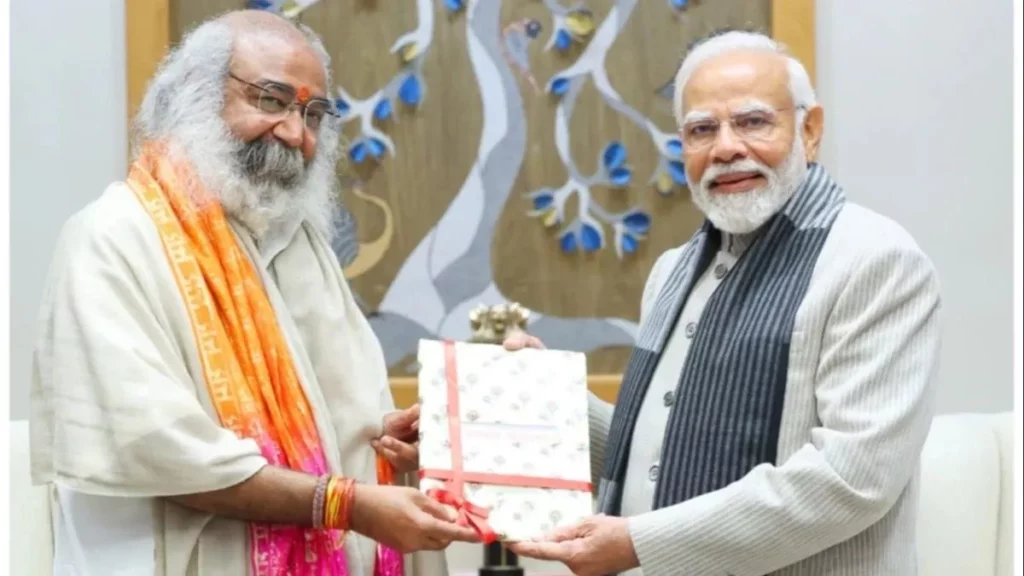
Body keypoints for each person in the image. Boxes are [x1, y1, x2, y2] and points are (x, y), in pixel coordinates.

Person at [28, 10, 478, 576]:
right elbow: (158, 447)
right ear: (194, 97)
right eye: (271, 100)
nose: (295, 132)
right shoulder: (113, 237)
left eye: (313, 113)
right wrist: (346, 502)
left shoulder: (297, 241)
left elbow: (321, 416)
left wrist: (378, 439)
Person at [504, 30, 942, 576]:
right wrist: (546, 399)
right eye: (701, 130)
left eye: (753, 121)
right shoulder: (673, 270)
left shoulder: (875, 260)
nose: (726, 147)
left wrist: (641, 544)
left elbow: (853, 478)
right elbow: (657, 453)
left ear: (810, 131)